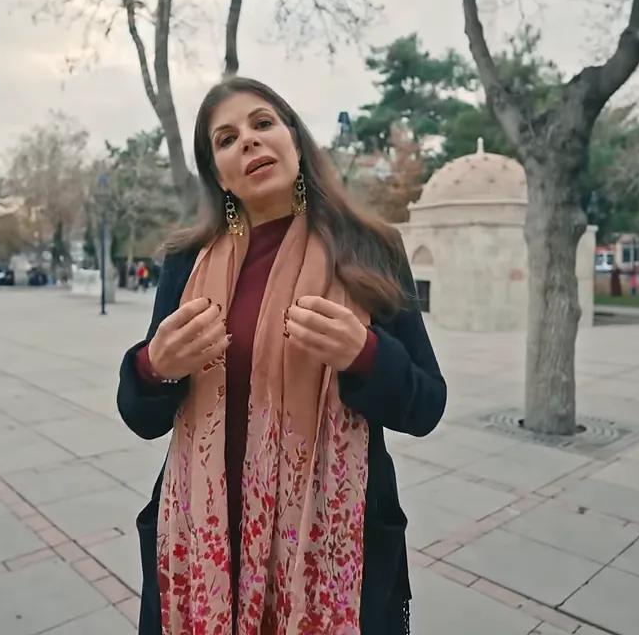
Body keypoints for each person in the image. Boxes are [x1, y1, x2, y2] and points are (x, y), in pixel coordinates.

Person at [117, 77, 447, 635]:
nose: (247, 141)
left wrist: (365, 355)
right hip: (203, 539)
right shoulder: (187, 262)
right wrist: (154, 368)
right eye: (225, 138)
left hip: (331, 544)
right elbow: (142, 416)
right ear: (216, 172)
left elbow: (426, 404)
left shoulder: (370, 248)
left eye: (262, 123)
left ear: (294, 138)